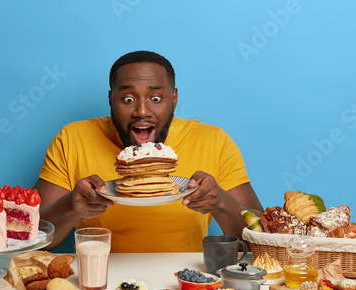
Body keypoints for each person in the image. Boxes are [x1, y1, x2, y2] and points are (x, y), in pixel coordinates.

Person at [34, 50, 263, 252]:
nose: (142, 111)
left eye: (155, 98)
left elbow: (262, 240)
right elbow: (33, 235)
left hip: (187, 281)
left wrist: (221, 202)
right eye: (128, 98)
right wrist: (72, 206)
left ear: (173, 99)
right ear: (111, 100)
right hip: (100, 281)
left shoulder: (214, 141)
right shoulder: (73, 138)